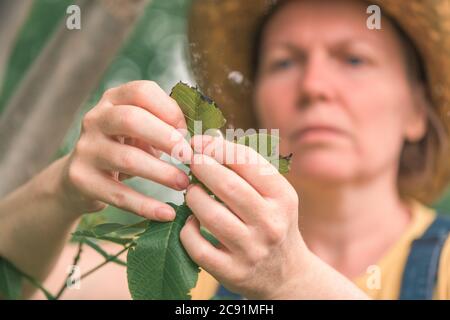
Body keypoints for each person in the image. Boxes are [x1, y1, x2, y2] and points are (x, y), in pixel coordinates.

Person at [1, 0, 449, 299]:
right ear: (256, 108)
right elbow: (16, 282)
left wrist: (293, 281)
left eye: (354, 58)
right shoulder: (188, 267)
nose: (313, 86)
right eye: (285, 62)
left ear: (416, 109)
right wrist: (63, 190)